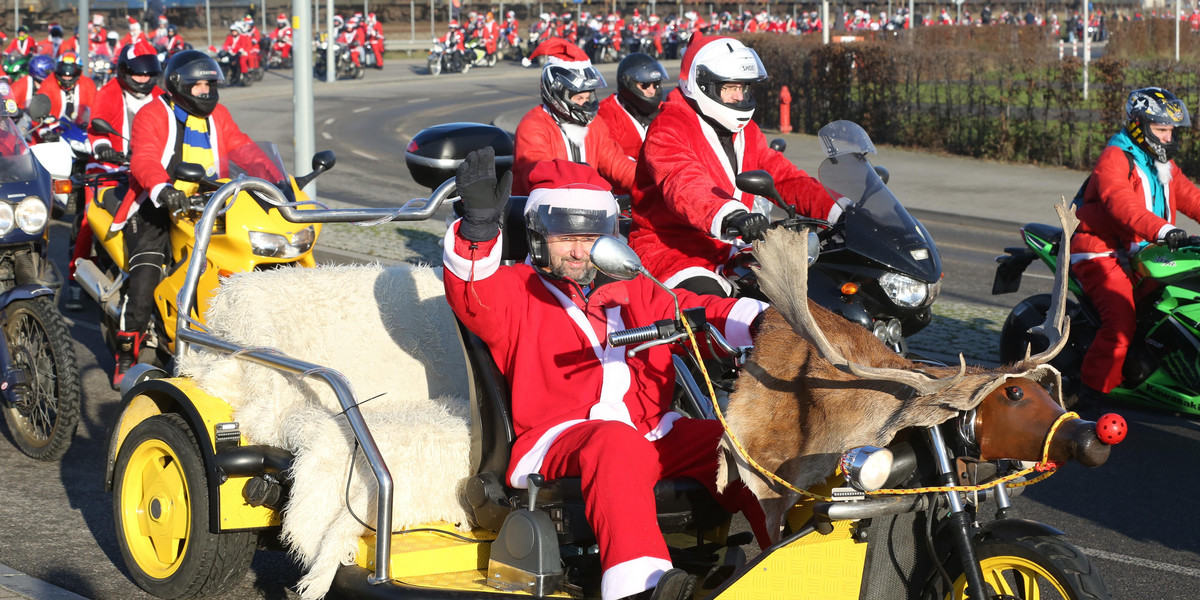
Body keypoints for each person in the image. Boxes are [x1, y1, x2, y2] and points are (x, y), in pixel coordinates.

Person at [443, 150, 770, 600]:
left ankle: (789, 563)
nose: (580, 250)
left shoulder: (633, 285)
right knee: (615, 442)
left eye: (591, 236)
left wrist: (762, 323)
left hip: (655, 434)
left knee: (747, 440)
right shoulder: (517, 291)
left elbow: (690, 312)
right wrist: (478, 231)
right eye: (565, 237)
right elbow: (472, 294)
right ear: (538, 235)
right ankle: (641, 587)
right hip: (564, 435)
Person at [628, 35, 841, 297]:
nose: (739, 96)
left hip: (729, 248)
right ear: (702, 85)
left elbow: (783, 177)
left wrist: (838, 209)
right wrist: (731, 214)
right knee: (718, 313)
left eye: (744, 88)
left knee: (805, 295)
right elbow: (683, 182)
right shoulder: (669, 128)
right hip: (672, 251)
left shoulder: (746, 131)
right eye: (730, 88)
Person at [107, 49, 265, 388]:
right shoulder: (154, 113)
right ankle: (126, 351)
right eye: (201, 85)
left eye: (211, 84)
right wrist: (163, 189)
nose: (208, 91)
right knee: (146, 275)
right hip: (156, 205)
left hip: (209, 204)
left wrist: (272, 178)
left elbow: (242, 147)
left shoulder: (218, 115)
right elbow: (144, 158)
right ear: (180, 84)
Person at [1072, 87, 1200, 408]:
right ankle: (1089, 396)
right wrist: (1163, 228)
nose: (1168, 137)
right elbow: (1121, 204)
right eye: (1161, 129)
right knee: (1121, 322)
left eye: (1171, 130)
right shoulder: (1115, 157)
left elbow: (1189, 196)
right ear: (1138, 125)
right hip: (1102, 249)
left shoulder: (1161, 162)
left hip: (1146, 250)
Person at [64, 41, 165, 311]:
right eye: (137, 73)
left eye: (148, 74)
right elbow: (96, 127)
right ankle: (75, 277)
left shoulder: (159, 95)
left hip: (149, 166)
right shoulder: (109, 92)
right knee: (89, 218)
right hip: (109, 167)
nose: (143, 79)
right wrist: (105, 149)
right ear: (123, 71)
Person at [513, 39, 635, 195]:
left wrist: (650, 183)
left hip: (587, 207)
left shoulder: (594, 124)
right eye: (579, 98)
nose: (586, 103)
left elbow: (616, 164)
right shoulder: (533, 126)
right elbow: (539, 175)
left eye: (589, 97)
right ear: (556, 94)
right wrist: (595, 186)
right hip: (538, 212)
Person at [596, 53, 668, 180]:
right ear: (628, 83)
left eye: (656, 84)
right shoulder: (605, 114)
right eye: (644, 85)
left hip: (661, 187)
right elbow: (607, 161)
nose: (652, 91)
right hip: (623, 190)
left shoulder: (666, 112)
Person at [36, 53, 96, 123]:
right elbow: (39, 109)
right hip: (54, 128)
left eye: (71, 72)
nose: (66, 76)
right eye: (63, 71)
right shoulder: (48, 83)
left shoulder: (88, 84)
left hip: (80, 128)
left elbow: (94, 108)